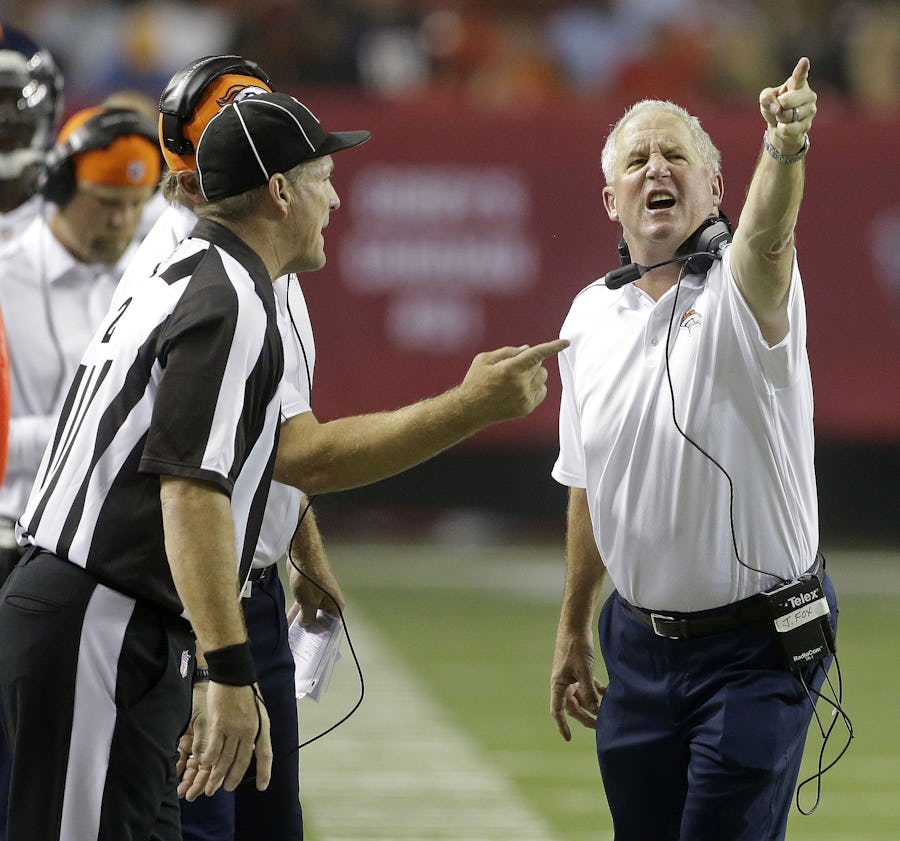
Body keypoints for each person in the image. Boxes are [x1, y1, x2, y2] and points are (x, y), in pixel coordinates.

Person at [127, 54, 569, 841]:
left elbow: (258, 435)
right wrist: (469, 407)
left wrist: (299, 541)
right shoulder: (202, 275)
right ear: (265, 176)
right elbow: (298, 454)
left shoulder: (256, 250)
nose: (330, 192)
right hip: (190, 604)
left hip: (249, 587)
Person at [549, 57, 837, 841]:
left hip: (756, 647)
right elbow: (588, 481)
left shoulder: (746, 290)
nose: (656, 168)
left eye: (675, 154)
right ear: (611, 201)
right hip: (636, 645)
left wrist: (783, 148)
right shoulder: (587, 317)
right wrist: (574, 623)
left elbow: (768, 239)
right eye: (637, 159)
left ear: (714, 188)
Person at [0, 103, 162, 581]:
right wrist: (90, 428)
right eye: (107, 201)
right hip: (11, 538)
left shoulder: (155, 280)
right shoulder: (5, 278)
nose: (121, 220)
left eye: (135, 203)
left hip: (114, 548)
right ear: (61, 186)